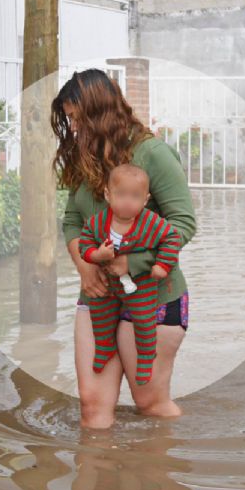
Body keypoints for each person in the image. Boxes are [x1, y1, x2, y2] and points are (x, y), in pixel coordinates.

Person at [55, 69, 197, 429]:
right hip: (98, 293)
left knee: (149, 403)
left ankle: (164, 475)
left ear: (99, 114)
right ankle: (99, 477)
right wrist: (85, 268)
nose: (73, 129)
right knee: (92, 406)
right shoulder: (86, 157)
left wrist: (130, 262)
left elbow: (183, 223)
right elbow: (73, 220)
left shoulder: (153, 154)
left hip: (153, 296)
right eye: (69, 120)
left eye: (77, 119)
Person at [78, 164, 183, 386]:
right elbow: (85, 241)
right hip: (108, 281)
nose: (128, 202)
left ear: (145, 200)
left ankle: (146, 356)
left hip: (141, 283)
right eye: (121, 195)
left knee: (144, 319)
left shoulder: (151, 222)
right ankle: (104, 348)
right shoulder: (98, 222)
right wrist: (96, 254)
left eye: (135, 197)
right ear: (108, 195)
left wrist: (162, 265)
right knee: (100, 312)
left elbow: (172, 238)